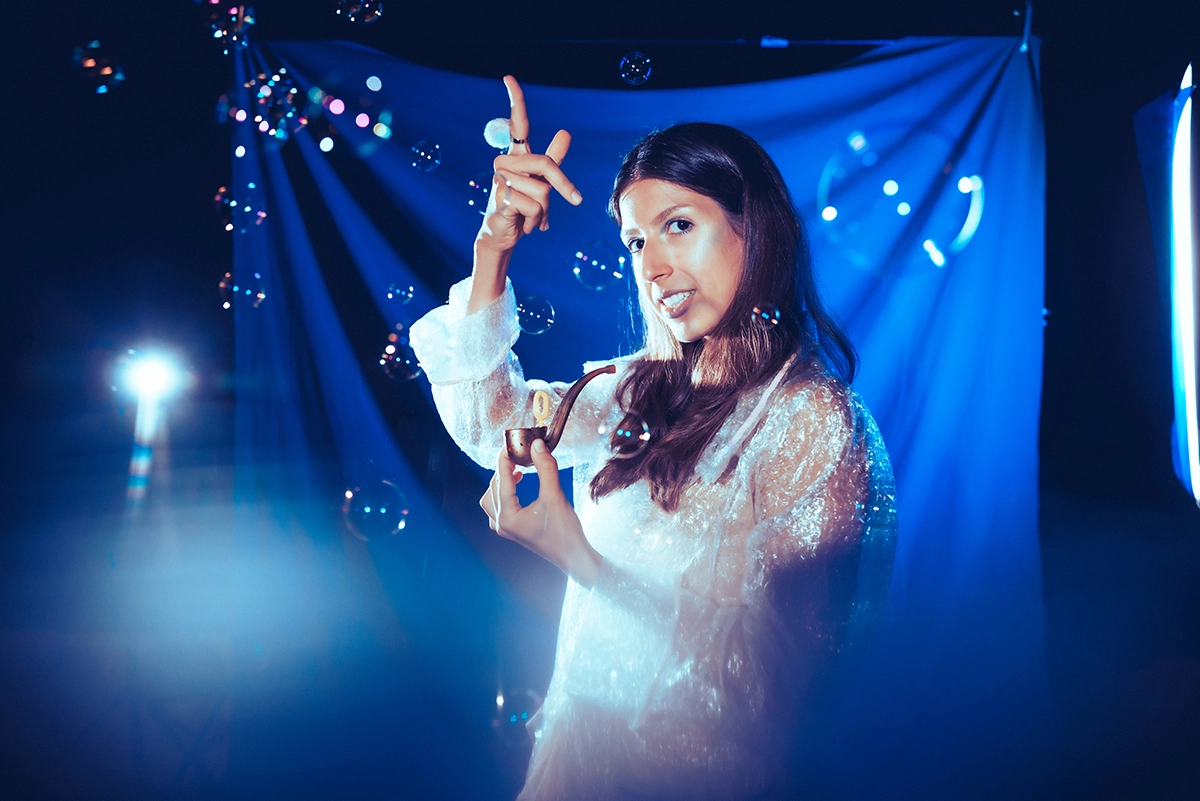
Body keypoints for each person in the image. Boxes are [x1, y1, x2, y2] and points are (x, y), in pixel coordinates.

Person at [409, 76, 897, 800]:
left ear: (756, 227)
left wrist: (579, 558)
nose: (652, 265)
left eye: (678, 225)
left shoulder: (811, 419)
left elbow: (782, 686)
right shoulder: (635, 390)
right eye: (636, 240)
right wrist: (493, 247)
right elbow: (492, 425)